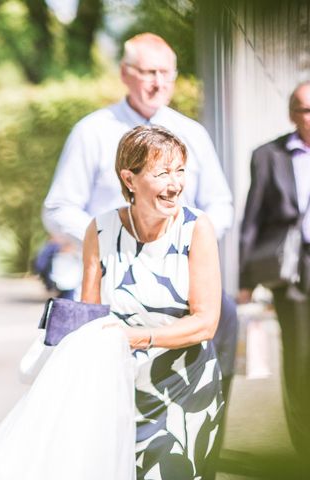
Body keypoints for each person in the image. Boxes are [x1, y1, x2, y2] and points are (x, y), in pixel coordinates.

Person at [42, 32, 237, 456]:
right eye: (148, 72)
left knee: (222, 323)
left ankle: (202, 438)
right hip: (111, 272)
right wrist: (118, 239)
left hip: (185, 271)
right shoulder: (91, 131)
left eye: (166, 73)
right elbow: (57, 207)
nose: (157, 82)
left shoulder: (191, 132)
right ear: (125, 75)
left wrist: (184, 242)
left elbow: (220, 202)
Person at [0, 126, 224, 479]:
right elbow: (90, 317)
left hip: (183, 388)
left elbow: (206, 322)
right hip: (117, 391)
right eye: (162, 173)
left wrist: (135, 337)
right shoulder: (99, 230)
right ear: (129, 179)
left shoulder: (196, 228)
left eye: (180, 171)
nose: (175, 184)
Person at [239, 81, 310, 458]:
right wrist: (245, 280)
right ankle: (303, 451)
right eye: (305, 110)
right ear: (292, 114)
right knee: (299, 361)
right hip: (292, 271)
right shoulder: (268, 156)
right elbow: (252, 220)